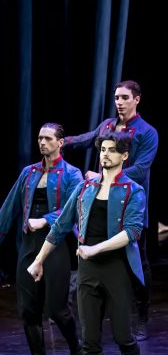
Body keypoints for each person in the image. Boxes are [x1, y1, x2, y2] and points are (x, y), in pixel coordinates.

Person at [27, 131, 146, 355]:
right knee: (90, 340)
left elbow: (132, 232)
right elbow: (61, 226)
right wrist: (39, 260)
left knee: (123, 337)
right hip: (88, 270)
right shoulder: (85, 187)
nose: (105, 154)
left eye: (112, 150)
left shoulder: (133, 190)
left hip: (116, 268)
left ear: (124, 155)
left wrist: (95, 249)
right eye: (103, 149)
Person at [0, 123, 84, 355]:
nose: (42, 142)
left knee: (58, 310)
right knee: (28, 308)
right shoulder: (29, 172)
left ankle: (77, 351)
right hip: (29, 245)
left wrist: (45, 220)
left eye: (48, 138)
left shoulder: (72, 174)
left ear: (60, 142)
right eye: (40, 138)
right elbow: (10, 205)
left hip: (56, 244)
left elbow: (74, 209)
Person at [65, 80, 158, 341]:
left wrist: (105, 175)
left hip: (130, 204)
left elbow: (141, 169)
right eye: (117, 97)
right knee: (96, 254)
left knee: (138, 263)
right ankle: (94, 315)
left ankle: (142, 316)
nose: (119, 102)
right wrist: (63, 141)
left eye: (125, 97)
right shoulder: (107, 125)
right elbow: (87, 139)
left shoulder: (147, 132)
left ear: (137, 99)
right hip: (102, 203)